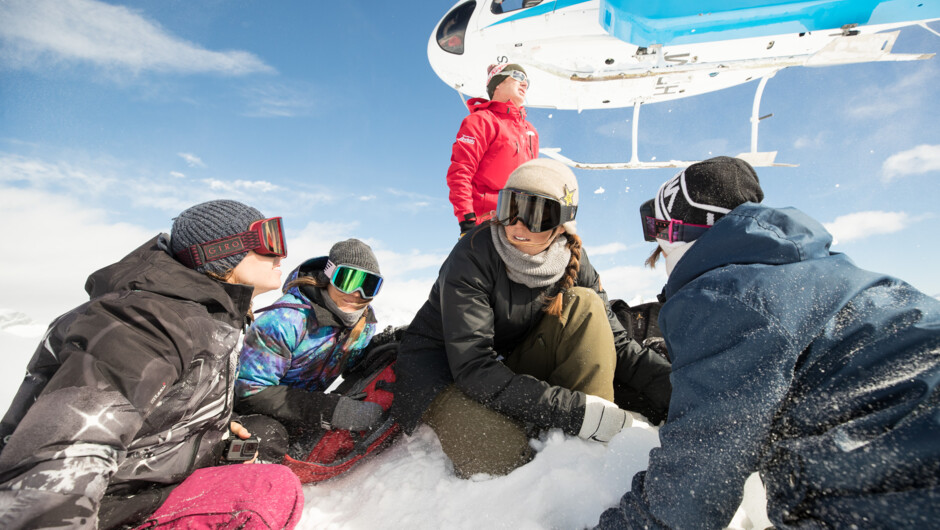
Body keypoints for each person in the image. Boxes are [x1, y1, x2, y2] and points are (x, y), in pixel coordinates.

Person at [597, 156, 940, 529]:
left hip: (896, 486)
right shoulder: (817, 271)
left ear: (678, 236)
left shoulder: (724, 299)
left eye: (659, 235)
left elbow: (686, 496)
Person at [0, 200, 304, 529]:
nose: (281, 255)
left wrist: (211, 431)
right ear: (222, 251)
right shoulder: (144, 324)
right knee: (266, 490)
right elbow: (55, 472)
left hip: (140, 474)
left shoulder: (207, 315)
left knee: (262, 436)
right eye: (269, 240)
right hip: (105, 500)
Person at [393, 159, 672, 478]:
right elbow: (473, 367)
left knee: (587, 304)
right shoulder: (473, 255)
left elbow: (618, 345)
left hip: (506, 363)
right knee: (505, 458)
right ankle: (576, 427)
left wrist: (679, 389)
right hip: (445, 373)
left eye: (536, 214)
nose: (516, 225)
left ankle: (590, 447)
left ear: (563, 225)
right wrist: (571, 411)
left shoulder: (573, 260)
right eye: (509, 208)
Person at [234, 239, 386, 463]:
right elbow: (249, 393)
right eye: (348, 280)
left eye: (369, 285)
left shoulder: (364, 322)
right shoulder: (285, 320)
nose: (357, 293)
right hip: (253, 411)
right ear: (329, 275)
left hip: (304, 409)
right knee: (266, 438)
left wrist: (381, 349)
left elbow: (352, 366)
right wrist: (328, 409)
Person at [447, 62, 539, 237]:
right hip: (486, 225)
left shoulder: (531, 131)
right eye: (518, 76)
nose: (524, 83)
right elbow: (460, 172)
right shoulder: (480, 121)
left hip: (521, 227)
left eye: (527, 81)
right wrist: (467, 220)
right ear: (497, 83)